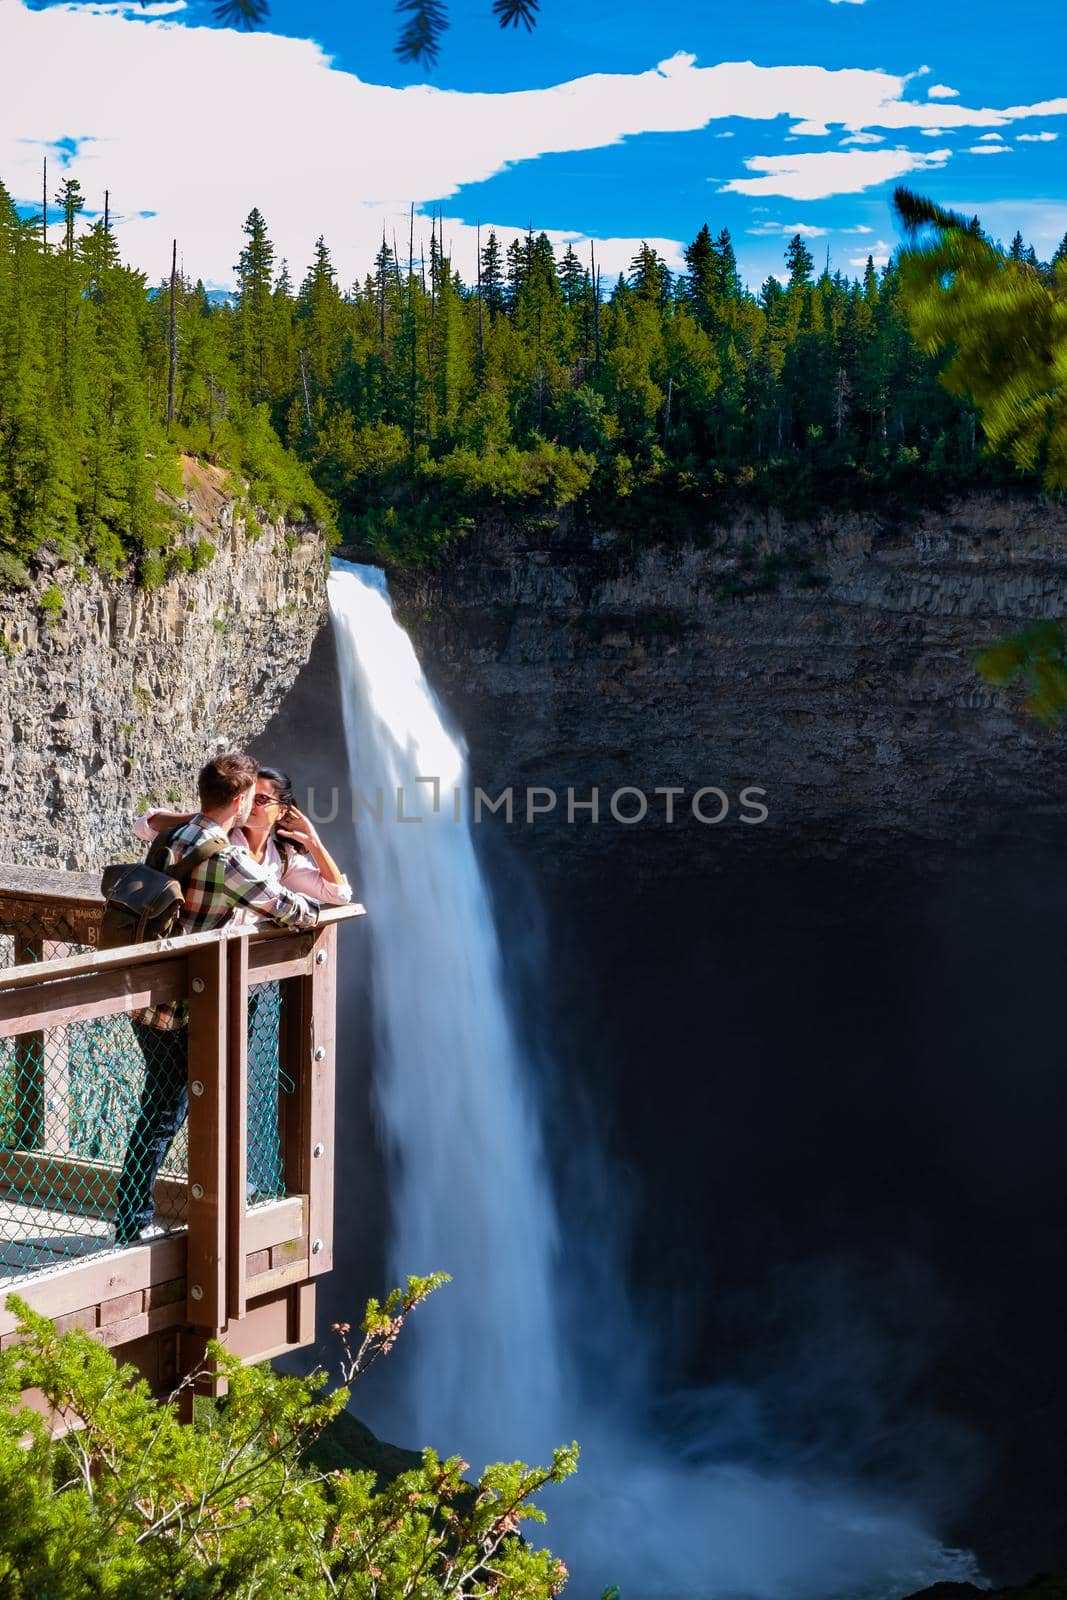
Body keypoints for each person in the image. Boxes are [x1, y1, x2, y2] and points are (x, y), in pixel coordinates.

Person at [113, 752, 319, 1245]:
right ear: (243, 800)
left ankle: (197, 1200)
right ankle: (132, 1222)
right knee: (166, 1110)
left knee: (166, 1101)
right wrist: (310, 906)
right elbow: (293, 910)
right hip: (185, 1006)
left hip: (145, 996)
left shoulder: (173, 837)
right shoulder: (228, 858)